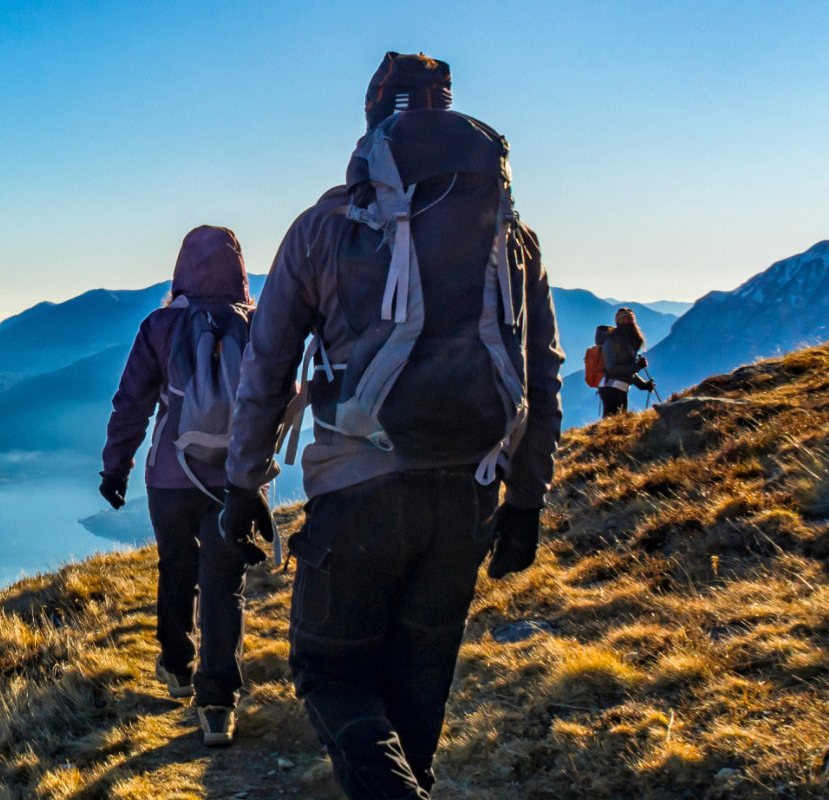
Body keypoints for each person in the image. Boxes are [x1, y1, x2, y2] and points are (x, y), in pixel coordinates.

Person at [219, 52, 563, 798]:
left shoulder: (325, 227)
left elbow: (267, 367)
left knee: (330, 670)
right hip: (468, 494)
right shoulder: (510, 236)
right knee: (418, 684)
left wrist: (244, 484)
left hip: (359, 493)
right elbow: (543, 372)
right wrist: (526, 502)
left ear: (375, 120)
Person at [100, 224, 261, 748]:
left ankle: (175, 666)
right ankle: (217, 704)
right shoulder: (258, 327)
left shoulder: (160, 327)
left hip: (170, 478)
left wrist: (115, 468)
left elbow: (132, 404)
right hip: (234, 482)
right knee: (223, 584)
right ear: (238, 270)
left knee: (177, 568)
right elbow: (271, 402)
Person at [598, 307, 655, 416]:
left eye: (630, 319)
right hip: (612, 389)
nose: (629, 322)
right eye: (626, 319)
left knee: (614, 425)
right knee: (615, 425)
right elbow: (612, 368)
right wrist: (637, 367)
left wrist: (644, 385)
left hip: (614, 388)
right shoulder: (612, 341)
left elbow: (627, 371)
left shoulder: (625, 341)